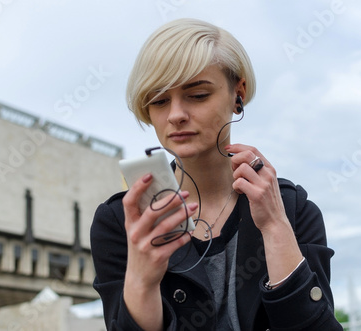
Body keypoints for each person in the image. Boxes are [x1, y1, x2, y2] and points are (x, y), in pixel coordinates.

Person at [91, 18, 342, 330]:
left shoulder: (292, 209)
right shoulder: (121, 222)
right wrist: (142, 280)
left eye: (197, 95)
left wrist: (276, 228)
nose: (176, 115)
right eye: (159, 100)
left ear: (238, 93)